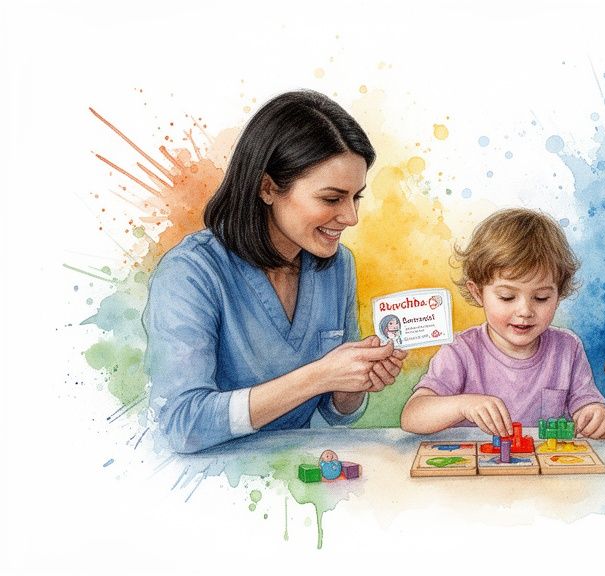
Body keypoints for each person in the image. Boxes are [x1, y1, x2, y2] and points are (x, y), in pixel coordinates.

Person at [144, 90, 407, 454]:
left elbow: (337, 414)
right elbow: (183, 425)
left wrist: (351, 384)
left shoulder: (337, 265)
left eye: (355, 196)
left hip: (299, 470)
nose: (351, 217)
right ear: (268, 188)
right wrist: (319, 375)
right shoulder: (190, 273)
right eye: (331, 199)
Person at [401, 208, 605, 439]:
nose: (525, 311)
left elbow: (590, 407)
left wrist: (600, 415)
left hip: (545, 471)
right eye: (507, 297)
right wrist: (463, 405)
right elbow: (412, 416)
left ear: (558, 295)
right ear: (478, 293)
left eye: (541, 297)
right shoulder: (460, 350)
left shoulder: (568, 348)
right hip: (479, 471)